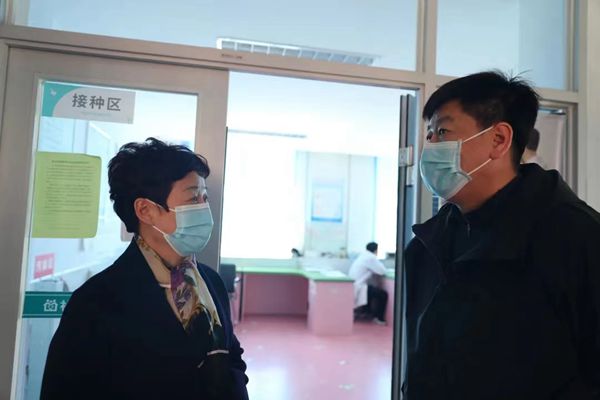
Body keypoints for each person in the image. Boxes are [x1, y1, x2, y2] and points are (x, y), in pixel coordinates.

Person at [402, 71, 600, 399]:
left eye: (443, 132)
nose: (431, 147)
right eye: (430, 134)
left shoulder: (576, 237)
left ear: (498, 140)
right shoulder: (427, 245)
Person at [41, 138, 249, 400]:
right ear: (145, 210)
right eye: (193, 197)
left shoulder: (211, 282)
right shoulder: (96, 302)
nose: (204, 207)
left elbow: (232, 357)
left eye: (204, 197)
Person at [348, 242, 388, 325]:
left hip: (356, 285)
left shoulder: (363, 256)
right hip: (359, 286)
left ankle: (366, 312)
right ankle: (379, 318)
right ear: (376, 250)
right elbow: (382, 271)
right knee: (383, 294)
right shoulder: (371, 257)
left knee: (372, 290)